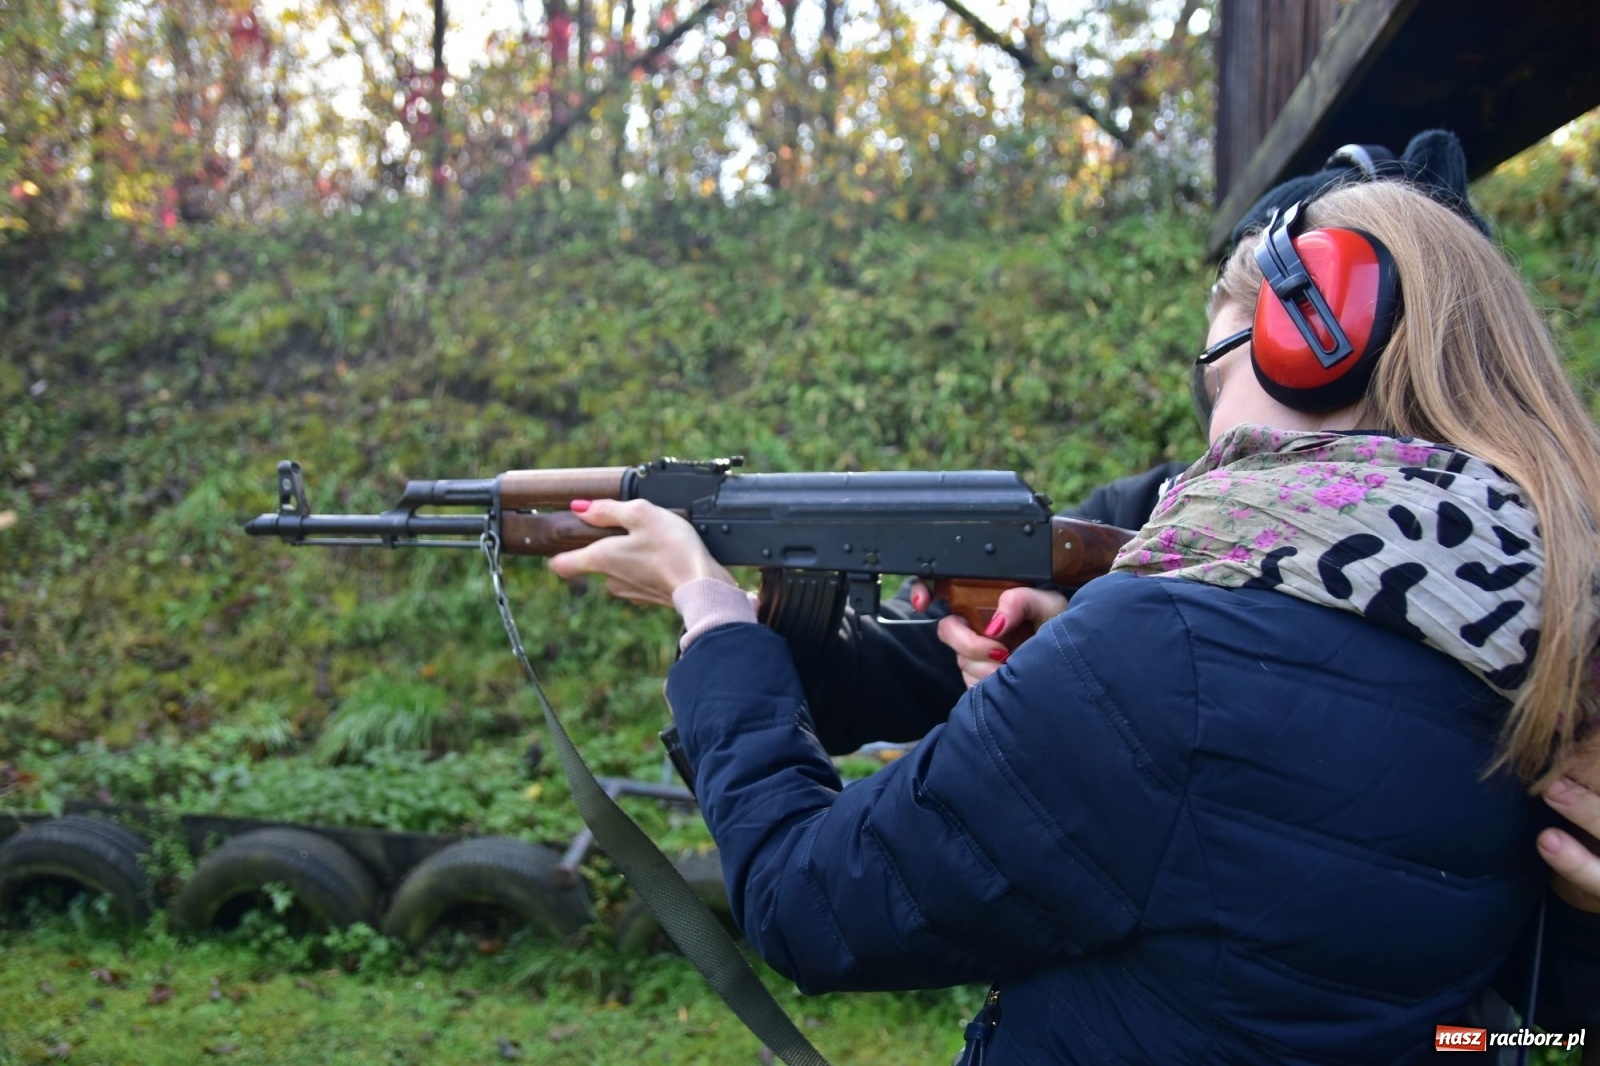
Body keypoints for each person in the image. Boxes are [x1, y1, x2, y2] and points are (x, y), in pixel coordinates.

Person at [550, 135, 1600, 1060]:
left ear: (1304, 341)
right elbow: (1507, 1026)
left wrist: (710, 612)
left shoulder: (1164, 648)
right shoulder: (1548, 632)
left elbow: (806, 903)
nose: (1208, 417)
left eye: (1216, 353)